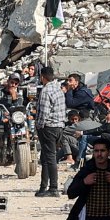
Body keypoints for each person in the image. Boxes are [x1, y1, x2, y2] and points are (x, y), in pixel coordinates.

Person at [66, 139, 110, 220]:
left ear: (109, 153)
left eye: (102, 151)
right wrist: (84, 182)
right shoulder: (86, 171)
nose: (99, 154)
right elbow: (71, 193)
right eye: (96, 151)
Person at [35, 64, 67, 198]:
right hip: (59, 127)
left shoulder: (46, 91)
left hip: (49, 128)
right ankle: (43, 187)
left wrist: (38, 125)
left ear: (42, 77)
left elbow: (44, 112)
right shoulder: (58, 89)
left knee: (50, 158)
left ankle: (53, 187)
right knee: (46, 157)